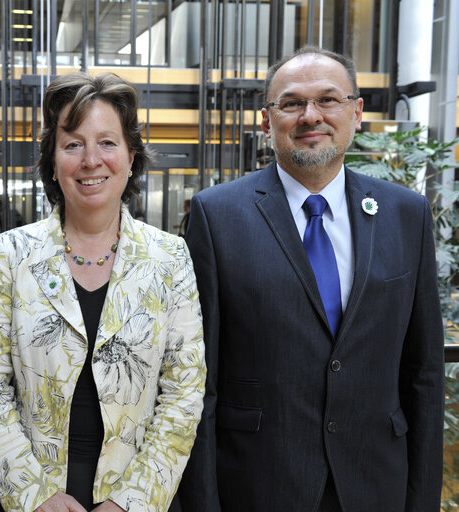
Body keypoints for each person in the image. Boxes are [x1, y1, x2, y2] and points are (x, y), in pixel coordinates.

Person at [178, 46, 444, 511]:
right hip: (258, 485)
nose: (310, 116)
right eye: (291, 103)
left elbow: (423, 373)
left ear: (356, 112)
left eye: (328, 100)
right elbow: (201, 383)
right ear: (267, 120)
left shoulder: (407, 214)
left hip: (375, 483)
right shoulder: (216, 215)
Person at [0, 73, 206, 512]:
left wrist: (132, 502)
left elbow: (184, 392)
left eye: (108, 143)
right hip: (30, 493)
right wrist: (33, 496)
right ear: (53, 161)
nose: (91, 160)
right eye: (73, 144)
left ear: (131, 157)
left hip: (137, 494)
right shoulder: (10, 253)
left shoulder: (171, 258)